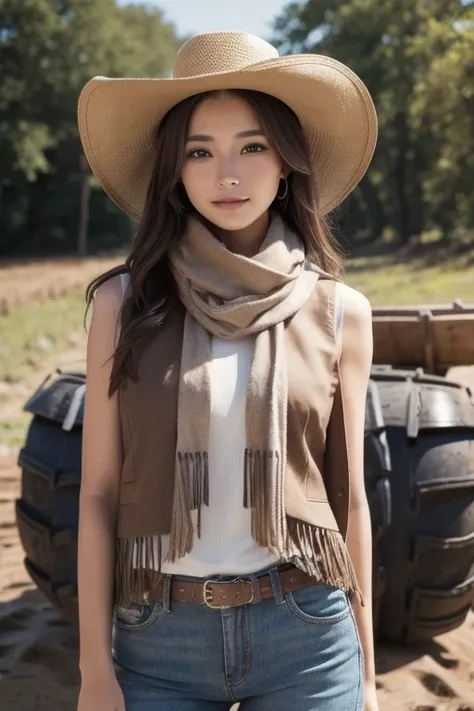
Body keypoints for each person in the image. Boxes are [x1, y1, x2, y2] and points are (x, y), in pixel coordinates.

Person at [76, 31, 378, 711]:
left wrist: (366, 670)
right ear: (174, 171)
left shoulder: (341, 313)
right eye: (200, 152)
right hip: (158, 638)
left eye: (251, 146)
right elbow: (96, 495)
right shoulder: (125, 305)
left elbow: (349, 499)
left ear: (287, 161)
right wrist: (95, 669)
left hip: (306, 631)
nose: (228, 175)